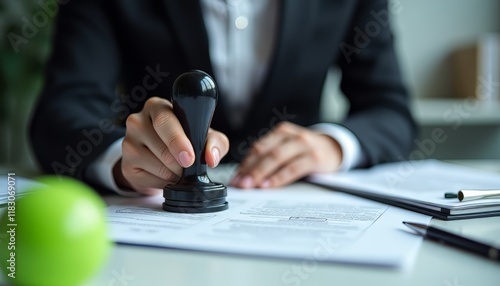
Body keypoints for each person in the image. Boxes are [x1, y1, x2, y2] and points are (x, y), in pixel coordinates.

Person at [30, 0, 415, 196]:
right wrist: (119, 159)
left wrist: (333, 145)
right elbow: (61, 108)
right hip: (154, 217)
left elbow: (390, 109)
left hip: (300, 209)